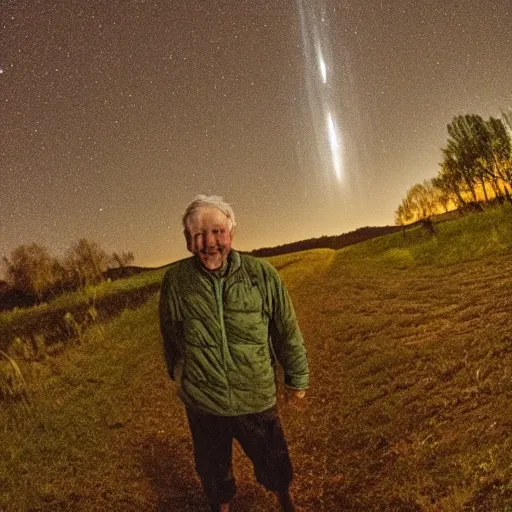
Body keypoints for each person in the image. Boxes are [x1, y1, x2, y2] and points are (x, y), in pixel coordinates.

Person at [159, 195, 309, 512]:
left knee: (275, 461)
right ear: (188, 241)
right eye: (198, 234)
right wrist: (182, 374)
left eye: (217, 231)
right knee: (213, 472)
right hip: (204, 402)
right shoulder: (176, 281)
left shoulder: (261, 275)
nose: (209, 242)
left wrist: (296, 378)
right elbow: (171, 333)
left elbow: (285, 328)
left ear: (231, 234)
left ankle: (286, 503)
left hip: (255, 396)